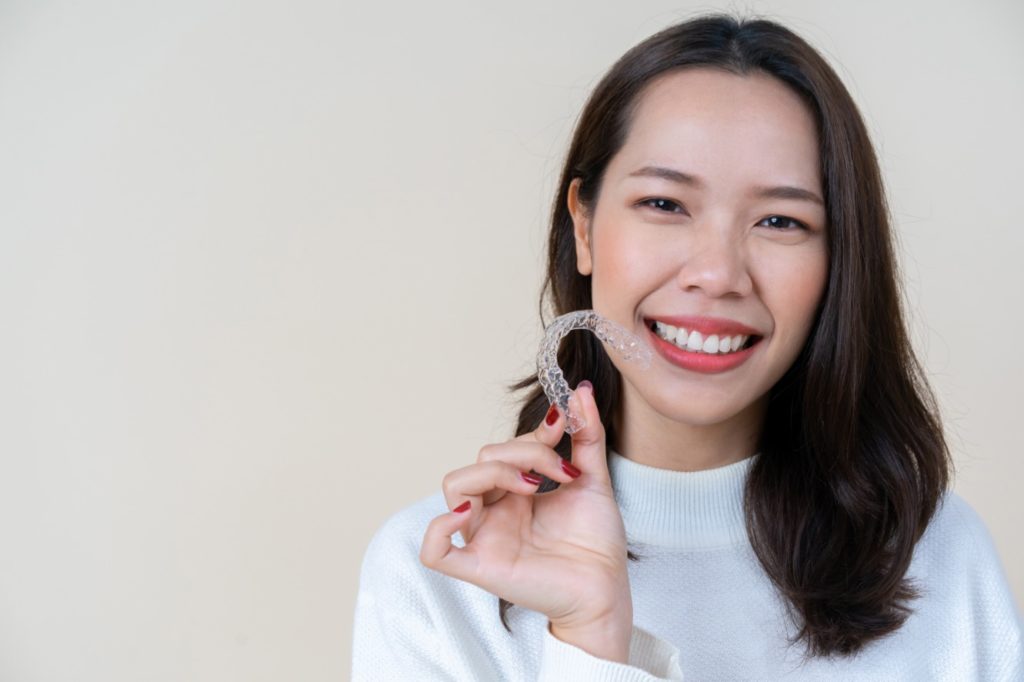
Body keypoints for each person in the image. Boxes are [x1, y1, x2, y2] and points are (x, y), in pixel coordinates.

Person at [351, 13, 1024, 680]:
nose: (718, 274)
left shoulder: (939, 560)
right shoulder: (440, 573)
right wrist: (589, 640)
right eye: (665, 205)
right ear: (582, 225)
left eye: (781, 220)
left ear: (839, 259)